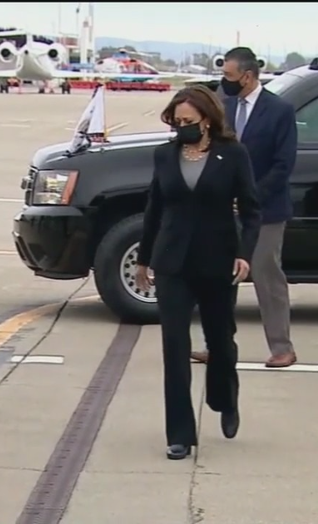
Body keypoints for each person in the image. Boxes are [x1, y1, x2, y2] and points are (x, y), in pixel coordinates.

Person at [135, 85, 261, 460]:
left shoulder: (233, 155)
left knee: (220, 341)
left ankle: (225, 397)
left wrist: (244, 253)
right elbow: (154, 209)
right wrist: (144, 259)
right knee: (174, 347)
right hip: (172, 262)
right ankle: (180, 434)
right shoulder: (165, 156)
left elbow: (253, 211)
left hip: (217, 259)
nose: (182, 127)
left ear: (207, 119)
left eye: (189, 121)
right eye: (177, 122)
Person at [190, 47, 298, 369]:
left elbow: (283, 165)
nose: (225, 82)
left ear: (248, 76)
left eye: (229, 76)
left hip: (265, 210)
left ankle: (282, 347)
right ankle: (218, 344)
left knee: (266, 276)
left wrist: (249, 196)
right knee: (220, 280)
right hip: (224, 211)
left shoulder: (279, 111)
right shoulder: (222, 107)